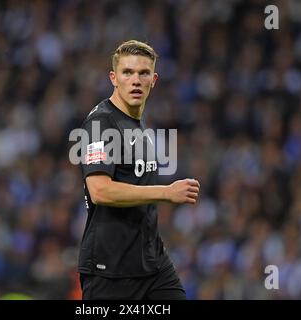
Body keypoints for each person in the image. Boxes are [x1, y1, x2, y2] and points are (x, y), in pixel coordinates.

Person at [78, 40, 200, 300]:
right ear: (113, 78)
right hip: (110, 270)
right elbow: (100, 190)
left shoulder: (138, 124)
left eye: (143, 73)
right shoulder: (102, 122)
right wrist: (166, 192)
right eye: (127, 72)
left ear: (153, 79)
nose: (136, 80)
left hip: (152, 263)